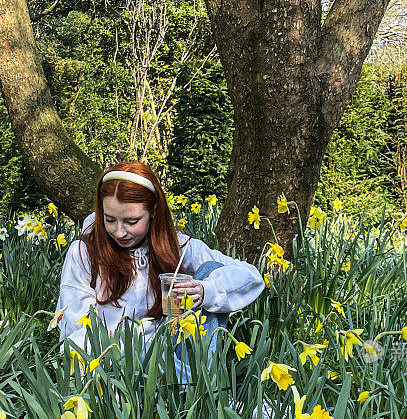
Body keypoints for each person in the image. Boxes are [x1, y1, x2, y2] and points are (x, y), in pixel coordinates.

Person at [56, 162, 264, 378]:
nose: (119, 232)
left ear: (154, 210)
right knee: (146, 357)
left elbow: (251, 276)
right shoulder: (85, 252)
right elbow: (75, 329)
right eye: (110, 220)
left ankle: (189, 386)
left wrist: (206, 291)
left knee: (211, 270)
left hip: (169, 351)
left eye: (131, 221)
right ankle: (196, 392)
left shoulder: (178, 247)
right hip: (114, 362)